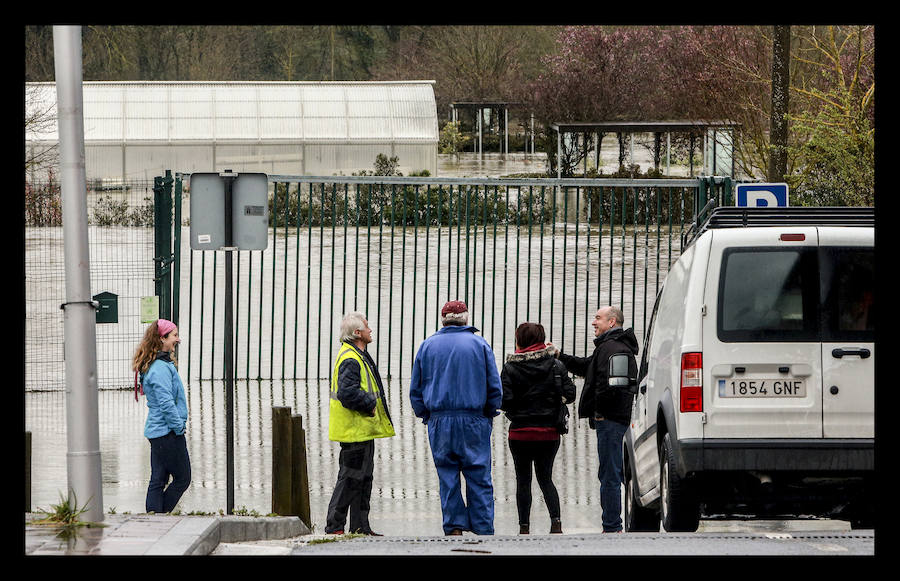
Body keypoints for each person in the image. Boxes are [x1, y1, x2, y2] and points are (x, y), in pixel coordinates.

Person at [409, 300, 503, 536]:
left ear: (443, 319)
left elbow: (416, 390)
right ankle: (483, 530)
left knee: (447, 476)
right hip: (473, 418)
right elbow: (494, 387)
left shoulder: (427, 346)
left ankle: (454, 528)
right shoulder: (479, 344)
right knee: (479, 476)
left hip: (439, 420)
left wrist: (426, 414)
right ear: (466, 318)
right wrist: (489, 413)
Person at [553, 306, 638, 533]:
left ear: (612, 322)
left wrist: (600, 411)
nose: (593, 322)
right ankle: (614, 523)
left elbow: (613, 386)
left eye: (598, 318)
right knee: (611, 472)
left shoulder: (613, 348)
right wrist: (560, 355)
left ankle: (612, 526)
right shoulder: (610, 347)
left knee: (609, 474)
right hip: (612, 418)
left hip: (610, 420)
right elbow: (586, 366)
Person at [500, 322, 576, 535]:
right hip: (549, 433)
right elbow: (570, 394)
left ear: (520, 340)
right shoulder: (555, 365)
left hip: (520, 433)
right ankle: (556, 523)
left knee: (523, 480)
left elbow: (504, 401)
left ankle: (524, 527)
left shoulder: (510, 367)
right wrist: (552, 401)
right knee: (546, 478)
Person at [325, 312, 395, 535]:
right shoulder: (351, 359)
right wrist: (369, 404)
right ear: (357, 333)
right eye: (367, 327)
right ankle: (334, 527)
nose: (370, 330)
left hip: (362, 430)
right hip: (354, 430)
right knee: (349, 479)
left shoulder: (357, 355)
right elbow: (347, 393)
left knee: (363, 480)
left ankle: (360, 527)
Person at [133, 318, 191, 514]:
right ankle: (159, 517)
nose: (178, 339)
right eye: (174, 335)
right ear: (162, 339)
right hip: (167, 433)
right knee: (183, 478)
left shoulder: (160, 365)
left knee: (157, 479)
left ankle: (153, 518)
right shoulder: (159, 368)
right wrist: (178, 428)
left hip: (157, 432)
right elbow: (166, 403)